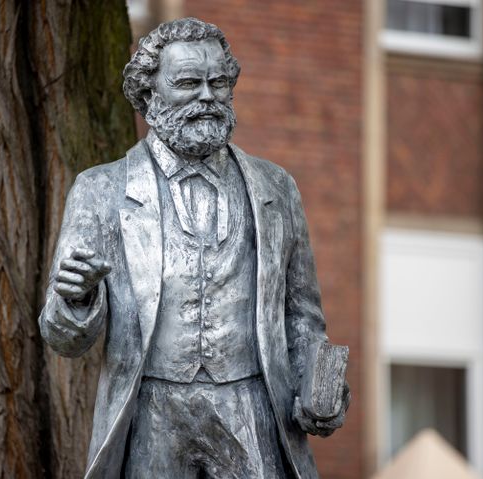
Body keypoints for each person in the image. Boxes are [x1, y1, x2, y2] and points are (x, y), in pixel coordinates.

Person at [39, 17, 350, 479]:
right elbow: (64, 338)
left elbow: (301, 315)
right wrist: (76, 298)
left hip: (254, 410)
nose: (207, 95)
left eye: (218, 82)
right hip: (150, 409)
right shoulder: (101, 190)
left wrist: (317, 384)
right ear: (149, 95)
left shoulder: (276, 188)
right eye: (188, 82)